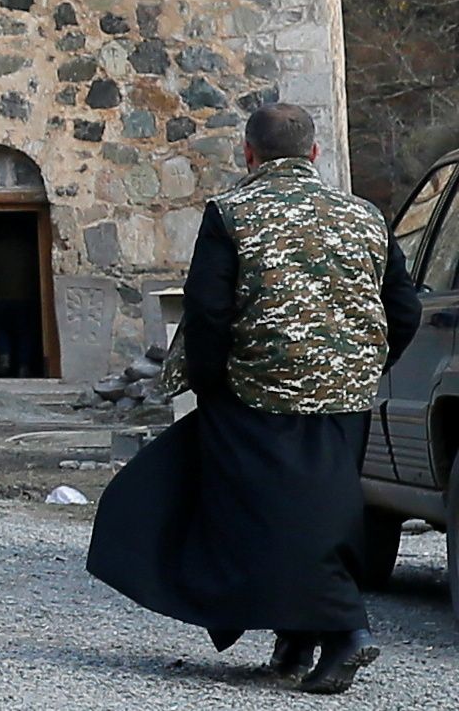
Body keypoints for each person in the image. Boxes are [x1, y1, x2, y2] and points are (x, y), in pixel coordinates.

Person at [87, 102, 420, 697]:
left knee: (260, 518)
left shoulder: (231, 213)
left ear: (248, 154)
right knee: (321, 511)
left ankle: (345, 629)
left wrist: (212, 387)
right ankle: (295, 640)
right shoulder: (365, 215)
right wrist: (364, 367)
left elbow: (208, 312)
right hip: (345, 396)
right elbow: (405, 307)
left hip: (257, 393)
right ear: (314, 153)